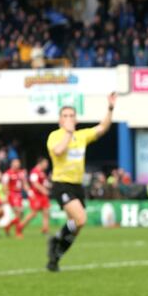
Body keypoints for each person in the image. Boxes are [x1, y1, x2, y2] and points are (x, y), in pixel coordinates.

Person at [46, 93, 116, 271]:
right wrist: (68, 133)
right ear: (60, 121)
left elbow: (102, 127)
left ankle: (55, 259)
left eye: (71, 116)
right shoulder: (55, 136)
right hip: (61, 184)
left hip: (77, 186)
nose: (69, 118)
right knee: (81, 219)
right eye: (65, 116)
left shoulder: (82, 136)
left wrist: (110, 108)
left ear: (76, 119)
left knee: (75, 229)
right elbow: (59, 151)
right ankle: (55, 238)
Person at [20, 157, 51, 235]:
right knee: (33, 213)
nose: (47, 165)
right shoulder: (34, 171)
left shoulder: (42, 172)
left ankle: (45, 229)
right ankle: (20, 226)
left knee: (46, 212)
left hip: (43, 196)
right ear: (41, 163)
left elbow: (45, 183)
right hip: (36, 195)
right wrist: (43, 190)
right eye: (46, 163)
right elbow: (34, 183)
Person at [1, 158, 28, 238]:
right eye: (16, 163)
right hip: (12, 194)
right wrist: (6, 195)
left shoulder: (21, 173)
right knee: (18, 212)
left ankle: (8, 226)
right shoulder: (7, 174)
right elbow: (4, 185)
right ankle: (18, 232)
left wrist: (30, 192)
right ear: (12, 164)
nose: (17, 164)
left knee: (21, 214)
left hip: (19, 194)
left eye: (18, 163)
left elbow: (25, 183)